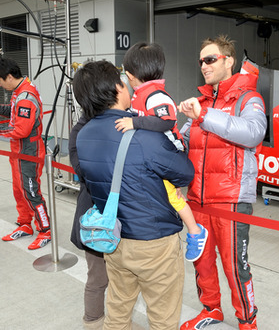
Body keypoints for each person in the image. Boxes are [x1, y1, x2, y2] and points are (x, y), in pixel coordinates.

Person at [73, 60, 194, 330]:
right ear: (116, 89)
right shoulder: (142, 134)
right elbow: (185, 173)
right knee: (163, 317)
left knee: (117, 312)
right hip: (154, 242)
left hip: (114, 240)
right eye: (123, 81)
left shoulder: (84, 135)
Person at [178, 35, 267, 330]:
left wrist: (205, 115)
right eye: (201, 60)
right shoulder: (200, 102)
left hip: (230, 199)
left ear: (229, 61)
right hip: (197, 199)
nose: (204, 65)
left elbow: (253, 132)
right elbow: (183, 141)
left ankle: (247, 321)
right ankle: (211, 309)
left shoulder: (248, 98)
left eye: (210, 59)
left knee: (234, 266)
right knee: (201, 261)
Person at [113, 41, 208, 262]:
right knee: (167, 195)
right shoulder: (141, 93)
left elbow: (166, 120)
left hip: (169, 154)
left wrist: (135, 123)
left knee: (173, 197)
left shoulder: (154, 94)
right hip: (156, 156)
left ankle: (195, 232)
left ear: (130, 75)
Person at [0, 58, 51, 250]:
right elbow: (14, 115)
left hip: (29, 152)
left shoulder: (26, 97)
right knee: (19, 191)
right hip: (18, 151)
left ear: (10, 77)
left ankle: (45, 230)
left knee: (31, 192)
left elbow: (20, 129)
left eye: (0, 80)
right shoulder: (19, 92)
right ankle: (25, 224)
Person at [69, 115, 108, 330]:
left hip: (121, 215)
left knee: (123, 279)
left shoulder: (123, 120)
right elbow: (84, 171)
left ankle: (117, 322)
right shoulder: (81, 130)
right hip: (96, 217)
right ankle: (94, 323)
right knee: (98, 276)